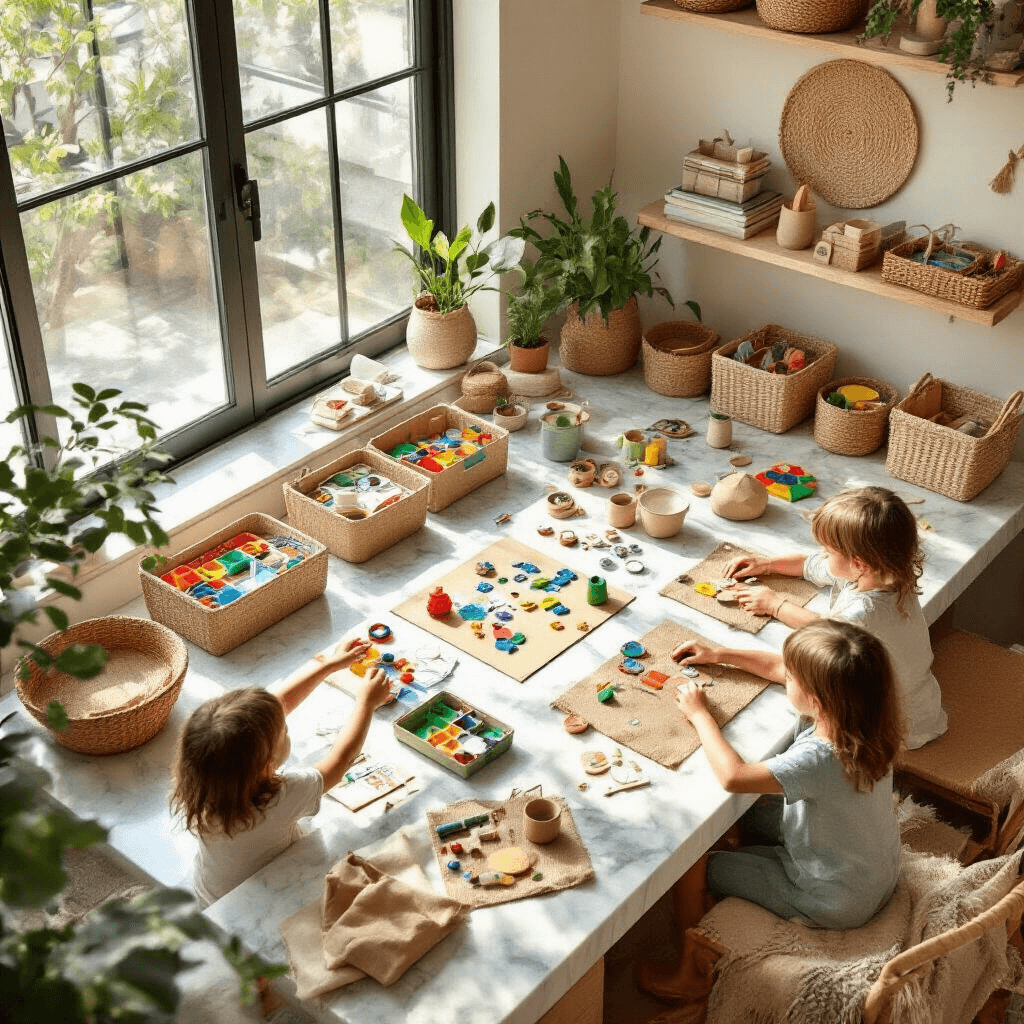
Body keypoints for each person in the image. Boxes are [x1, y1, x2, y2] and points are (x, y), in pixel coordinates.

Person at [640, 620, 904, 1006]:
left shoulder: (820, 758)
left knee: (694, 860)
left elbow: (733, 777)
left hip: (833, 899)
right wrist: (719, 655)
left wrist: (700, 716)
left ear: (816, 699)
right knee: (750, 816)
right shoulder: (868, 720)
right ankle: (740, 855)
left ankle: (691, 975)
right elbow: (780, 668)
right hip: (872, 873)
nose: (785, 675)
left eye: (793, 676)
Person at [689, 486, 946, 748]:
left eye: (829, 551)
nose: (823, 554)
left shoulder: (861, 615)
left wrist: (720, 653)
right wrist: (766, 563)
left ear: (858, 564)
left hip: (888, 732)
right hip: (922, 704)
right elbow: (811, 565)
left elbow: (792, 671)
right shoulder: (887, 570)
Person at [171, 637, 392, 907]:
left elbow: (275, 707)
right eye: (284, 732)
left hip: (209, 894)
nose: (285, 726)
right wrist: (366, 703)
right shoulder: (280, 798)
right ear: (266, 765)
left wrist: (329, 665)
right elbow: (341, 760)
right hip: (258, 902)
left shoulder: (202, 778)